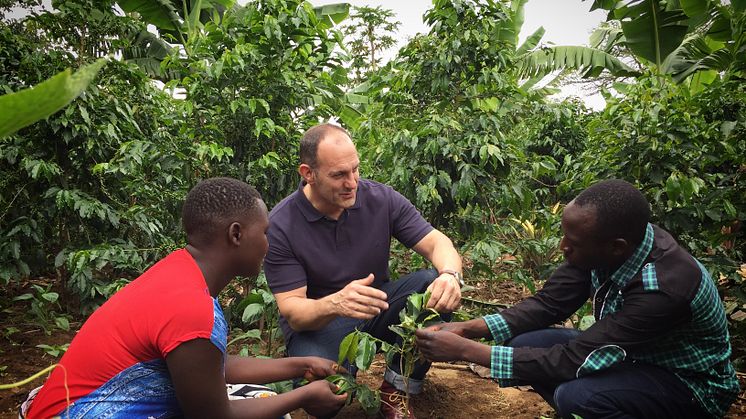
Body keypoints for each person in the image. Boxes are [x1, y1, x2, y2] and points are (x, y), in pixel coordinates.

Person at [24, 177, 347, 419]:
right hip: (77, 413)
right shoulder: (192, 309)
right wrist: (302, 397)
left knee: (259, 397)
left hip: (61, 406)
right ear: (236, 234)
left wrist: (300, 365)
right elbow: (213, 416)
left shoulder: (178, 272)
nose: (268, 243)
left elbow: (207, 367)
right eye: (264, 232)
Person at [416, 179, 739, 419]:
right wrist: (470, 329)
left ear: (616, 246)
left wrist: (466, 351)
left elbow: (575, 360)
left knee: (578, 397)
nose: (562, 248)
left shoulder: (663, 288)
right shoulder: (607, 245)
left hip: (690, 385)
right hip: (634, 356)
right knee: (523, 344)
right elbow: (548, 304)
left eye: (573, 242)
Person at [263, 123, 463, 419]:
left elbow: (436, 242)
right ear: (308, 173)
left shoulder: (379, 198)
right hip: (320, 324)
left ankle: (396, 388)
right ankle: (342, 374)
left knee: (432, 285)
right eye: (339, 175)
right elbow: (293, 310)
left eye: (355, 169)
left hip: (376, 306)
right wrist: (337, 302)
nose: (352, 182)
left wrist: (450, 275)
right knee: (323, 397)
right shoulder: (280, 225)